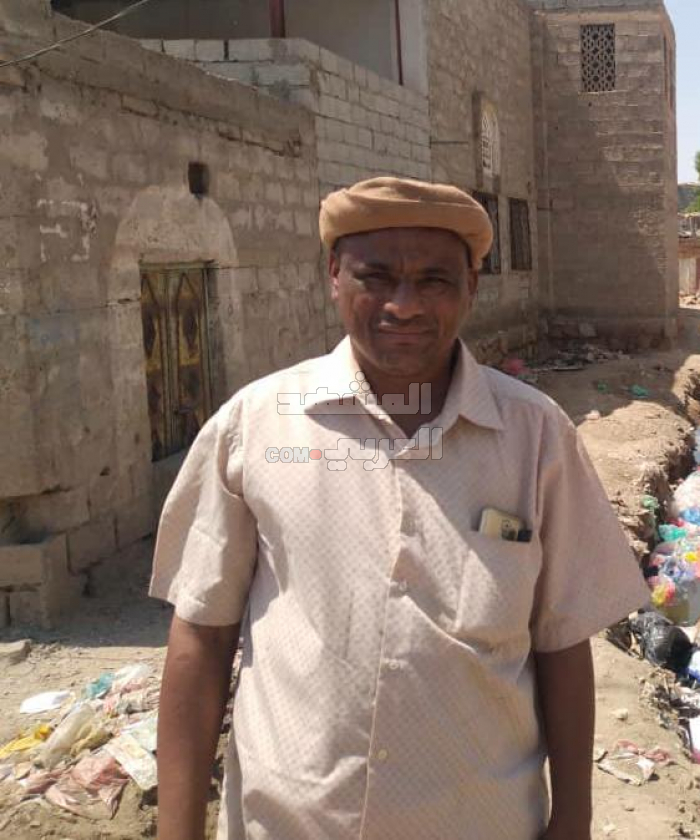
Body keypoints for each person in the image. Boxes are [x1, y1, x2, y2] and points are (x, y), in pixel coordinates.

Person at [150, 177, 650, 840]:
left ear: (471, 286)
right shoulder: (256, 426)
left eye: (434, 280)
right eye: (377, 276)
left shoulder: (536, 437)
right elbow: (202, 634)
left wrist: (575, 820)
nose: (404, 305)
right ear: (334, 275)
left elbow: (562, 641)